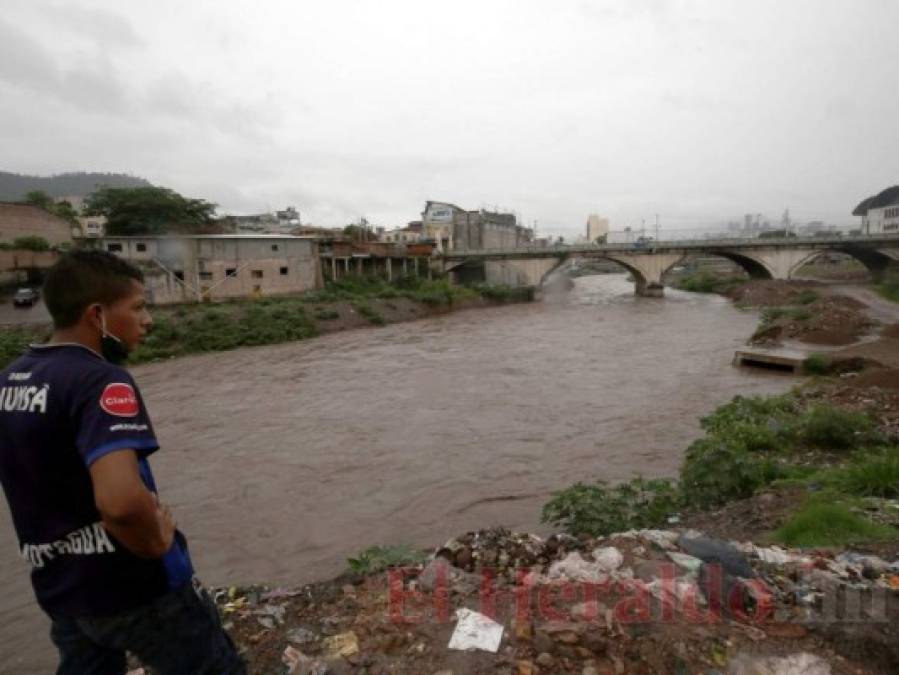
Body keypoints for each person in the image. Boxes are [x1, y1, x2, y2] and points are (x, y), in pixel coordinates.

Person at [0, 250, 245, 674]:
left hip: (61, 588)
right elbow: (120, 502)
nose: (147, 319)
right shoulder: (101, 380)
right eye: (137, 307)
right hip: (135, 588)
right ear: (97, 316)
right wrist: (156, 544)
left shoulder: (12, 379)